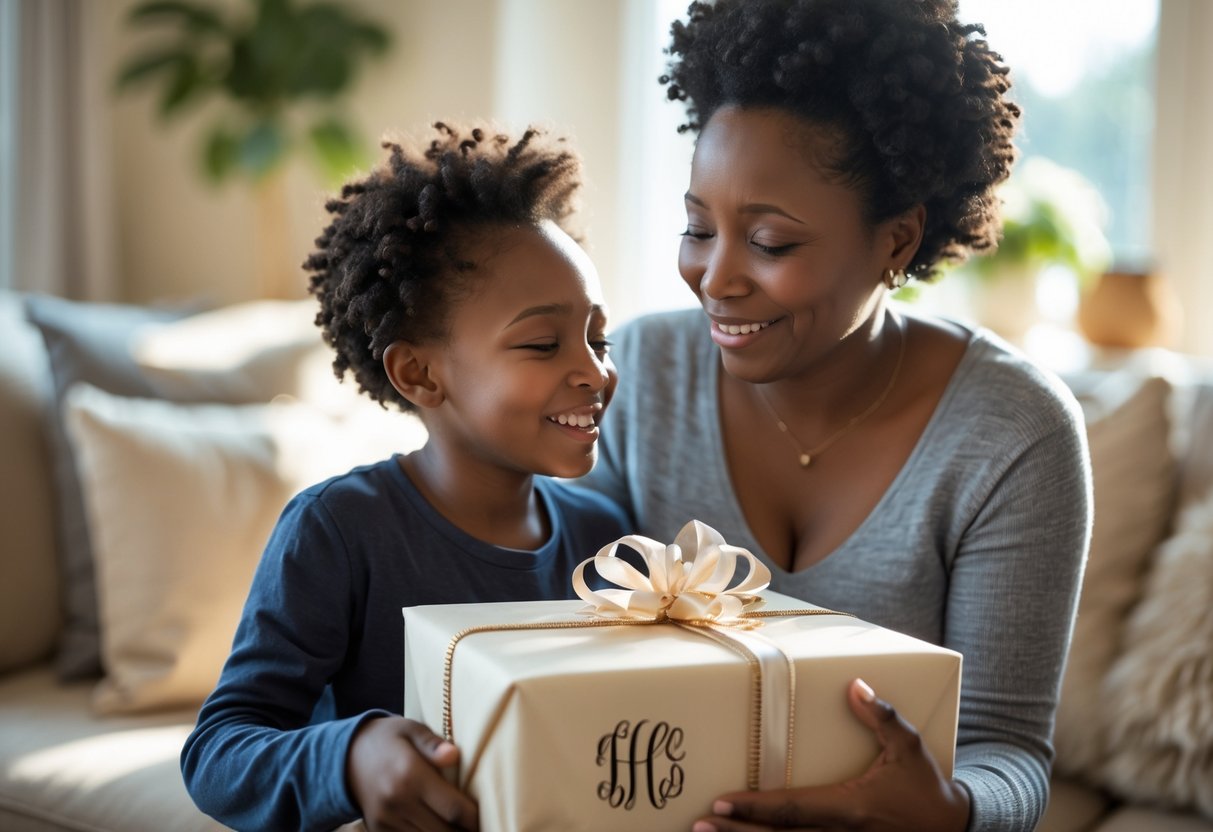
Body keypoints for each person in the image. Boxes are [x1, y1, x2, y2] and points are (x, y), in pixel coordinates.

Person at [580, 1, 1092, 830]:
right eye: (697, 228)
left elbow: (1007, 750)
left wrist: (950, 810)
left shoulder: (1013, 433)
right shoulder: (638, 376)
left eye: (771, 242)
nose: (715, 277)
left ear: (896, 240)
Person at [180, 122, 629, 832]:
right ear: (418, 373)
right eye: (544, 343)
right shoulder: (339, 530)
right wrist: (351, 756)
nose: (595, 371)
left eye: (597, 338)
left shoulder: (608, 540)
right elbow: (220, 751)